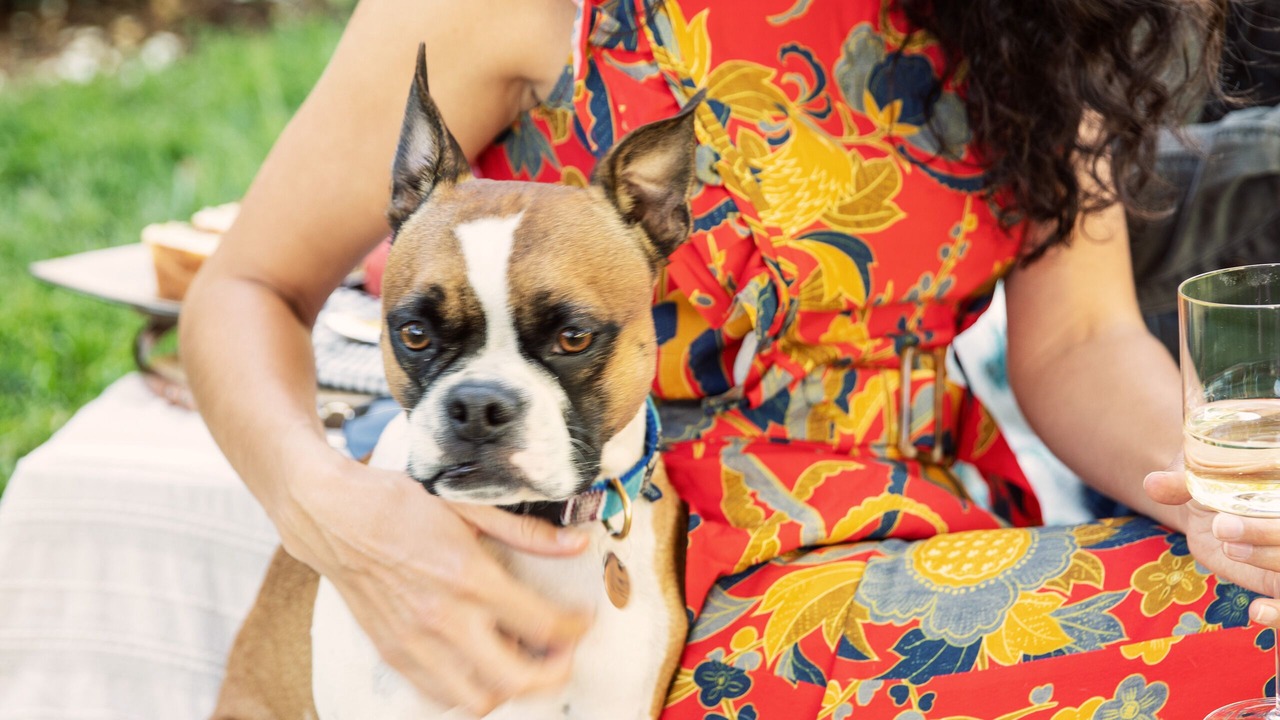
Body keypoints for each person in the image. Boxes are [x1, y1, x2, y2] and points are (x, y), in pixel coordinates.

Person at [179, 0, 1275, 716]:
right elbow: (247, 288)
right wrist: (329, 511)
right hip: (656, 565)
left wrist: (1227, 499)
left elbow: (1079, 344)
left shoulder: (1037, 23)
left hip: (931, 528)